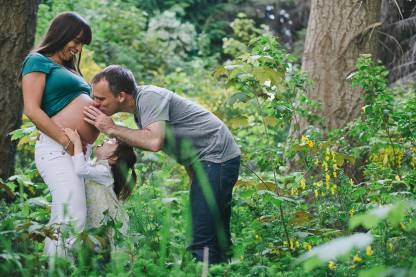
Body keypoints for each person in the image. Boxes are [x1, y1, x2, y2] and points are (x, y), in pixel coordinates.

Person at [83, 65, 241, 264]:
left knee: (201, 240)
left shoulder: (149, 97)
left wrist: (111, 128)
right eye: (94, 97)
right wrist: (192, 172)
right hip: (211, 160)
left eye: (101, 99)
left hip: (216, 158)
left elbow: (153, 141)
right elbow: (185, 139)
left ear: (121, 96)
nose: (96, 104)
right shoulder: (140, 109)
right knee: (217, 235)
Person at [20, 12, 99, 257]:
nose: (77, 48)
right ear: (60, 34)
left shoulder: (69, 68)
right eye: (75, 40)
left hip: (76, 153)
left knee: (67, 215)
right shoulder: (37, 61)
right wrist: (66, 142)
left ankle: (55, 268)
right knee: (72, 214)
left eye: (81, 44)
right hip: (58, 148)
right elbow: (32, 109)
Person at [63, 128, 136, 250]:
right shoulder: (95, 165)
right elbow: (80, 163)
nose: (107, 139)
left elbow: (80, 169)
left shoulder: (105, 171)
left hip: (103, 223)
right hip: (94, 221)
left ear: (114, 156)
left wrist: (77, 143)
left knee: (104, 252)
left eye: (113, 142)